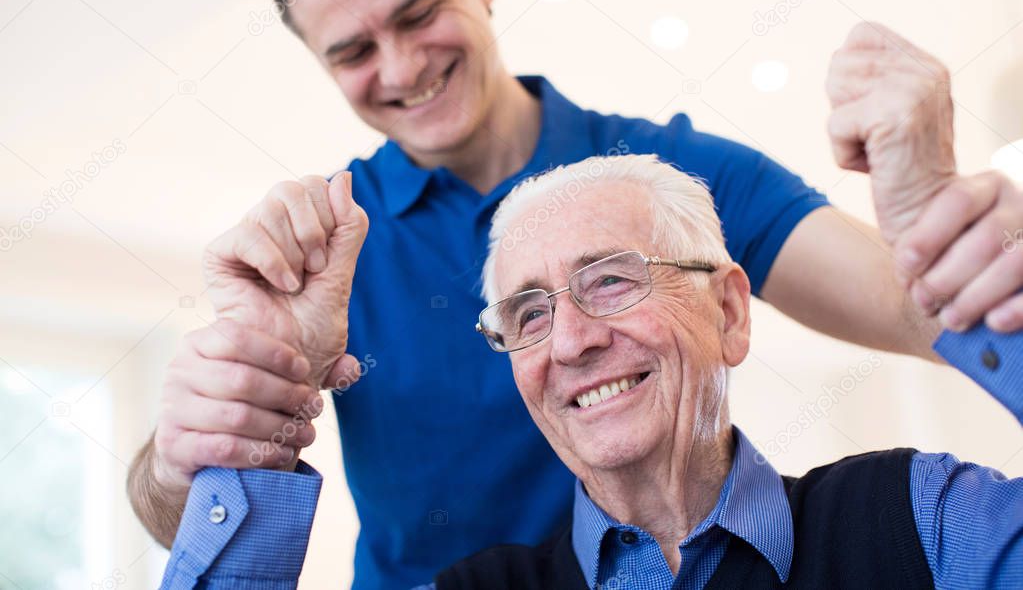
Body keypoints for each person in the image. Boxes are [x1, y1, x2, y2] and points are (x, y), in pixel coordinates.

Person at [127, 0, 1023, 587]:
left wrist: (938, 223)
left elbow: (920, 311)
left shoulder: (676, 177)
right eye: (354, 50)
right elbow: (181, 510)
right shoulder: (328, 252)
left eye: (417, 14)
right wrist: (192, 453)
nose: (398, 70)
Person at [157, 155, 1021, 589]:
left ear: (727, 311)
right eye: (527, 313)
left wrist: (1003, 302)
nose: (569, 341)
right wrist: (261, 405)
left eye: (609, 280)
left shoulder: (921, 519)